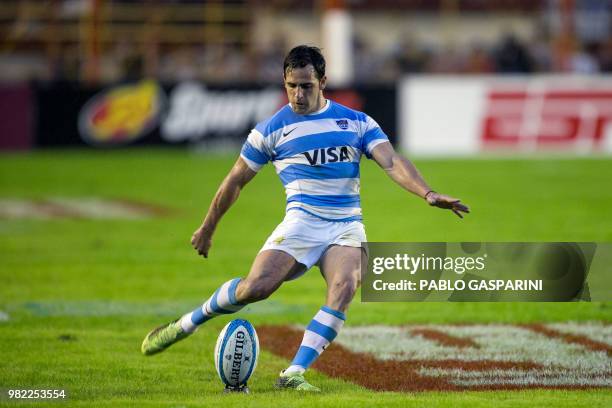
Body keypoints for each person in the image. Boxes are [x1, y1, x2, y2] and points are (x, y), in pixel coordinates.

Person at [141, 45, 469, 391]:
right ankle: (189, 322)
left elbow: (391, 161)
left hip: (345, 225)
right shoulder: (271, 130)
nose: (298, 94)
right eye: (291, 86)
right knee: (257, 288)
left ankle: (293, 373)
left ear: (323, 82)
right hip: (301, 224)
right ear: (284, 82)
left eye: (306, 86)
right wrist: (208, 228)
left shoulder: (355, 121)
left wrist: (428, 193)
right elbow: (235, 181)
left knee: (345, 286)